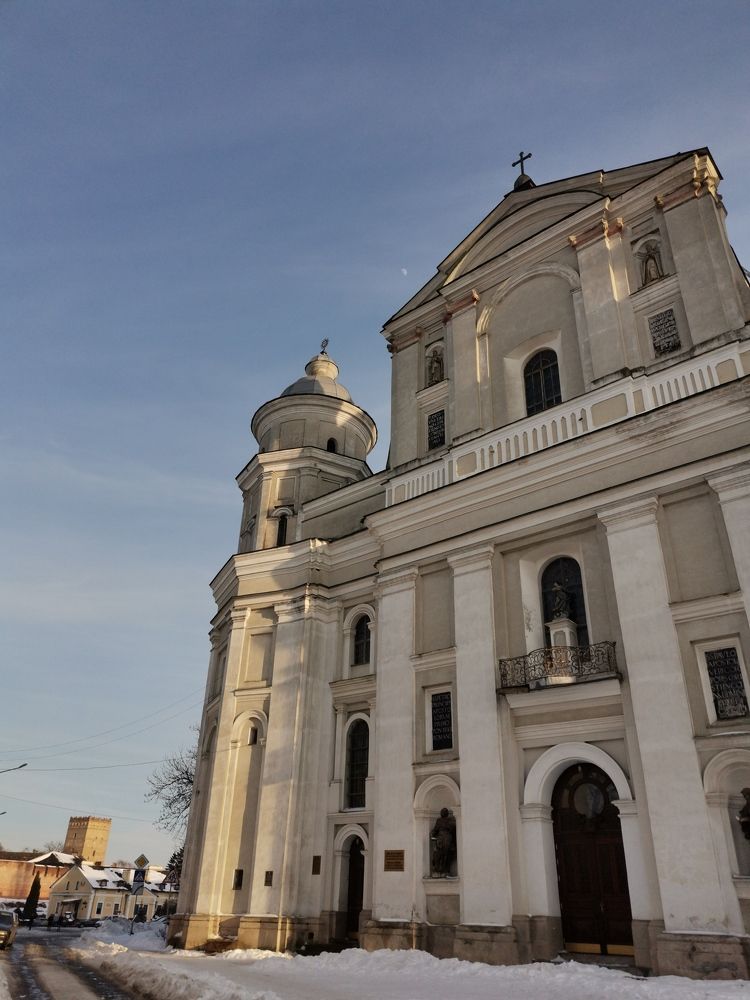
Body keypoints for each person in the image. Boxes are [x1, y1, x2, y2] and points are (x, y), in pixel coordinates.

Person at [431, 808, 457, 877]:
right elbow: (435, 829)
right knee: (441, 855)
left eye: (443, 812)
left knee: (443, 855)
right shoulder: (447, 821)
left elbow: (435, 830)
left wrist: (433, 833)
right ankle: (441, 870)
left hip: (444, 840)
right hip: (444, 840)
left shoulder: (445, 821)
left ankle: (442, 870)